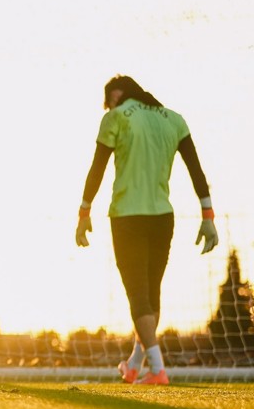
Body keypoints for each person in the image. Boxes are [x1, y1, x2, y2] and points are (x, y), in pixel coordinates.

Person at [75, 74, 218, 386]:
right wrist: (208, 215)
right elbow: (197, 170)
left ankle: (157, 369)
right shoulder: (174, 119)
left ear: (116, 94)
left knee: (137, 294)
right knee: (152, 295)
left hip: (127, 216)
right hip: (163, 217)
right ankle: (134, 365)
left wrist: (84, 211)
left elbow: (97, 168)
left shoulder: (114, 117)